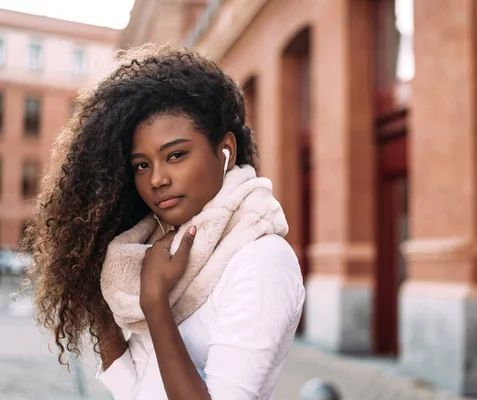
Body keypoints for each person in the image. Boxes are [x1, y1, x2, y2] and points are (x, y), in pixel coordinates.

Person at [23, 44, 305, 399]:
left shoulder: (261, 261)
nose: (157, 179)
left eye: (176, 155)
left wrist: (155, 303)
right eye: (142, 165)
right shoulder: (151, 251)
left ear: (226, 151)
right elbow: (137, 390)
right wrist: (98, 287)